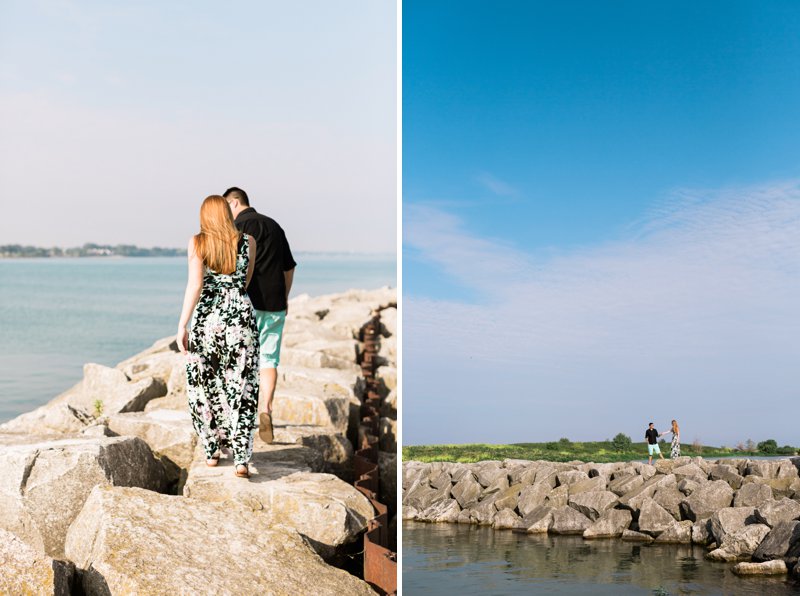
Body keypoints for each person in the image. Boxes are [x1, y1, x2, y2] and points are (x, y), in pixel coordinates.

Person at [177, 195, 260, 479]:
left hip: (207, 320)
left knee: (204, 383)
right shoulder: (249, 242)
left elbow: (195, 285)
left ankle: (211, 450)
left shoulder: (197, 242)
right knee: (241, 385)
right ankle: (241, 459)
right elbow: (245, 281)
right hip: (240, 318)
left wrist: (182, 325)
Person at [224, 186, 296, 444]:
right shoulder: (275, 226)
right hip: (275, 301)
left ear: (234, 203)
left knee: (239, 360)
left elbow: (230, 268)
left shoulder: (236, 228)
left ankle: (238, 416)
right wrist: (285, 296)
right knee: (268, 359)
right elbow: (289, 268)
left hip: (246, 302)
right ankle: (265, 408)